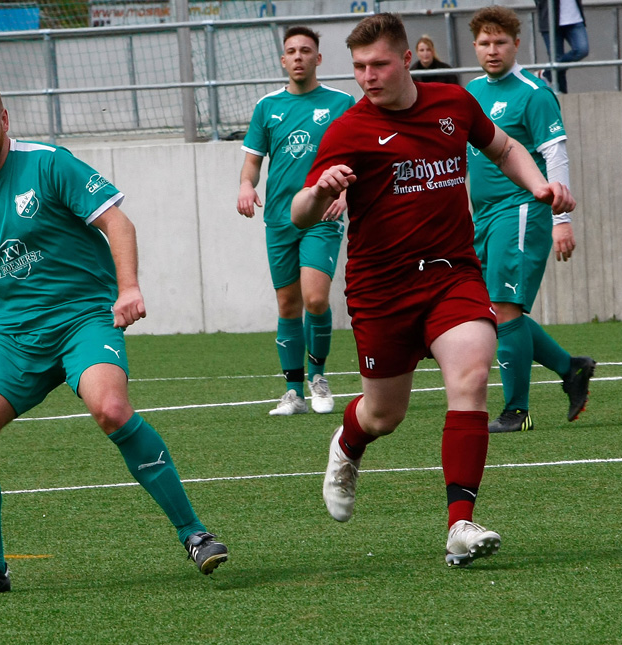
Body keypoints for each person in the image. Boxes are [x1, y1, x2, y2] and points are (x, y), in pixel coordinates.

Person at [0, 78, 228, 596]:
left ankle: (195, 534)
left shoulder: (49, 164)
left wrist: (128, 287)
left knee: (110, 408)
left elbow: (118, 223)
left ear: (5, 120)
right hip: (15, 339)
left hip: (82, 319)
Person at [290, 13, 575, 566]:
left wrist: (540, 184)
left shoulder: (453, 104)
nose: (367, 76)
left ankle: (459, 524)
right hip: (381, 288)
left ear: (405, 60)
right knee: (383, 416)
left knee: (470, 375)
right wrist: (320, 190)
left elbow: (504, 148)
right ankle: (349, 444)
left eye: (377, 65)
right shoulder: (349, 129)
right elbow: (302, 214)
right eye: (358, 67)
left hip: (452, 273)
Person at [467, 6, 595, 434]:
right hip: (483, 217)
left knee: (504, 308)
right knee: (494, 309)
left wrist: (561, 220)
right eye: (484, 43)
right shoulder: (470, 94)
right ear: (474, 46)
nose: (492, 50)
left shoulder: (533, 92)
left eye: (500, 41)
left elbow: (555, 154)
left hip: (521, 211)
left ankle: (516, 412)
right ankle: (570, 367)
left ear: (516, 44)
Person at [236, 25, 356, 417]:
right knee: (288, 304)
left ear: (318, 58)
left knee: (316, 298)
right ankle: (293, 392)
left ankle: (318, 378)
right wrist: (245, 187)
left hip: (322, 215)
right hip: (278, 219)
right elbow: (252, 163)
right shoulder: (267, 107)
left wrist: (343, 193)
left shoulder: (341, 103)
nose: (299, 56)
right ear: (283, 60)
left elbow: (360, 157)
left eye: (307, 50)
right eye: (292, 51)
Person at [534, 0, 589, 93]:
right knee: (557, 58)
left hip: (574, 18)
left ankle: (547, 73)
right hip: (549, 19)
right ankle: (561, 92)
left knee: (582, 49)